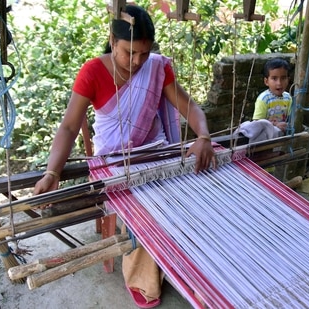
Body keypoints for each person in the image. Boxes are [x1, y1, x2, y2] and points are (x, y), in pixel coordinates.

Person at [33, 5, 215, 308]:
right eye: (128, 52)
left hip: (155, 151)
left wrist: (205, 137)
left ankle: (194, 272)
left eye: (143, 54)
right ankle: (144, 278)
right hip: (113, 162)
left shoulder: (157, 67)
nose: (136, 61)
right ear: (112, 40)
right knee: (146, 209)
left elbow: (191, 107)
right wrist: (52, 173)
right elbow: (68, 126)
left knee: (194, 199)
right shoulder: (93, 71)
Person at [252, 58, 292, 133]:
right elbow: (257, 123)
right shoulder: (263, 99)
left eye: (283, 78)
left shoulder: (288, 98)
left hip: (283, 137)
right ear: (266, 81)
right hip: (267, 137)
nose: (279, 83)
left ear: (288, 80)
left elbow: (291, 119)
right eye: (274, 78)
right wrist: (275, 124)